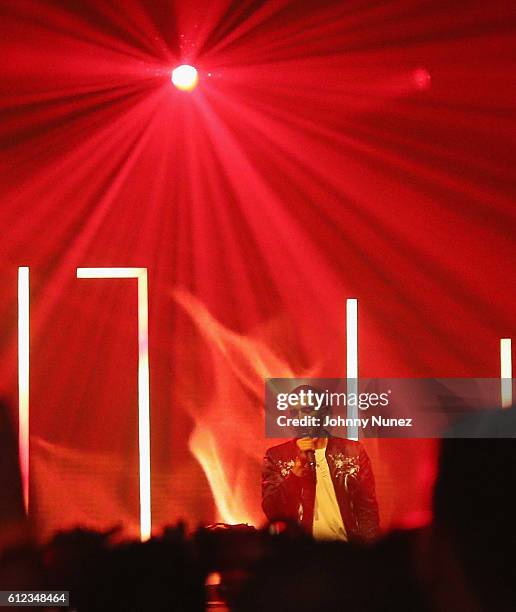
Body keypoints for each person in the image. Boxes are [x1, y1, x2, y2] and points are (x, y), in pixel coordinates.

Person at [262, 386, 379, 543]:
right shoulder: (277, 456)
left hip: (344, 552)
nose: (301, 417)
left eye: (307, 410)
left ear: (323, 412)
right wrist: (295, 475)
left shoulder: (351, 452)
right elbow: (272, 511)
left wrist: (366, 555)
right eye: (294, 412)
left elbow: (367, 509)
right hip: (300, 555)